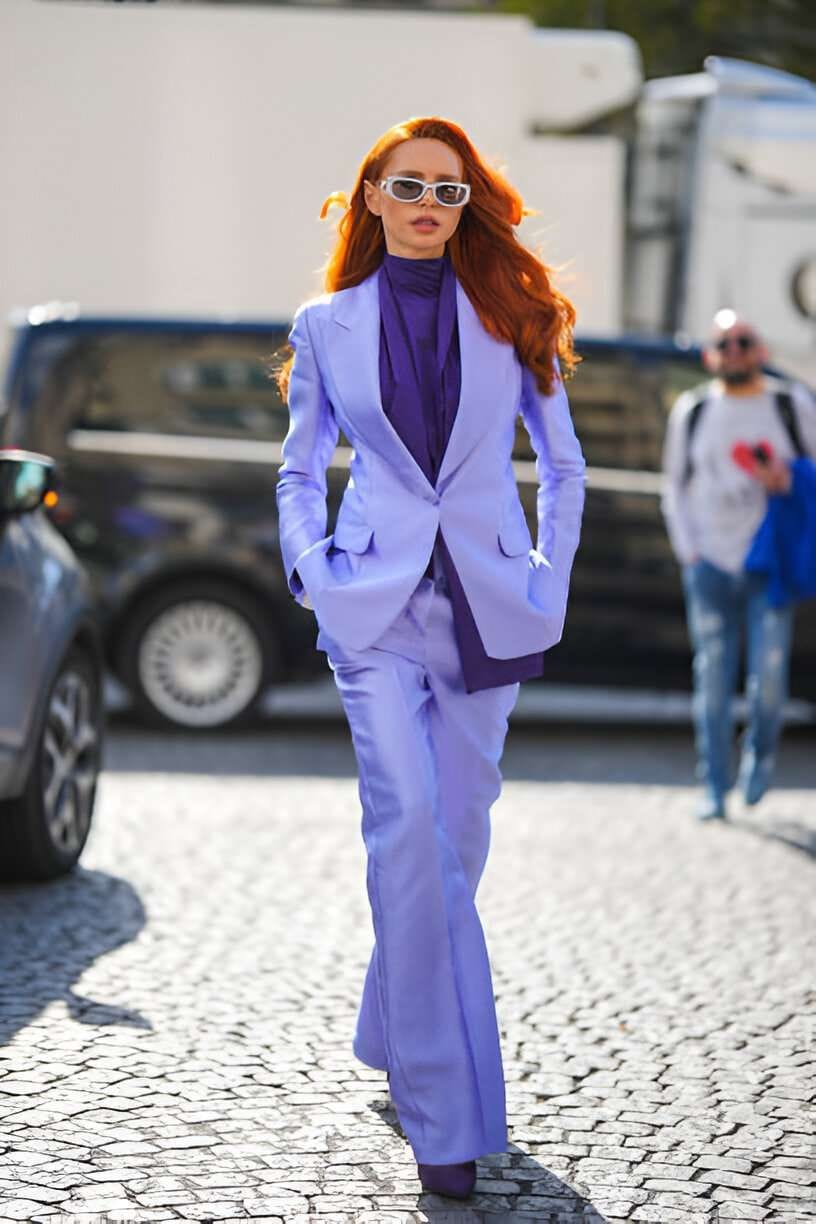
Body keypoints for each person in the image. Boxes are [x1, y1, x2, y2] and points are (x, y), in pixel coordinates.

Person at [275, 116, 585, 1198]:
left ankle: (387, 1024)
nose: (426, 205)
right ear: (370, 195)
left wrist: (547, 582)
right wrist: (311, 567)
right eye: (406, 186)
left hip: (489, 608)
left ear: (466, 206)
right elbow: (300, 466)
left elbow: (564, 466)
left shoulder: (513, 313)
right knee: (405, 825)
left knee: (456, 834)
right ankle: (446, 1119)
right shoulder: (326, 324)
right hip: (372, 606)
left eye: (448, 191)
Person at [662, 309, 816, 821]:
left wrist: (788, 479)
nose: (733, 351)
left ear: (761, 351)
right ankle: (713, 785)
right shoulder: (694, 410)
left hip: (768, 561)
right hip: (709, 562)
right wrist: (689, 551)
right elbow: (674, 485)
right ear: (710, 356)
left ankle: (760, 753)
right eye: (723, 344)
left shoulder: (790, 404)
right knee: (712, 677)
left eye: (743, 342)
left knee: (769, 677)